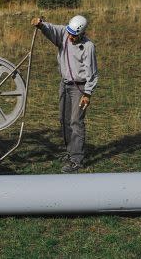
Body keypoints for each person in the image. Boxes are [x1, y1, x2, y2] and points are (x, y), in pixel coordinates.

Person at [31, 14, 98, 173]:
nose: (71, 38)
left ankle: (77, 160)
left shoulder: (88, 47)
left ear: (81, 34)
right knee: (64, 120)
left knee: (76, 121)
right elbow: (51, 29)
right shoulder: (64, 34)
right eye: (70, 34)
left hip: (79, 88)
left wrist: (87, 94)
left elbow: (92, 73)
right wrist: (41, 25)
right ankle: (70, 152)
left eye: (74, 36)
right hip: (65, 84)